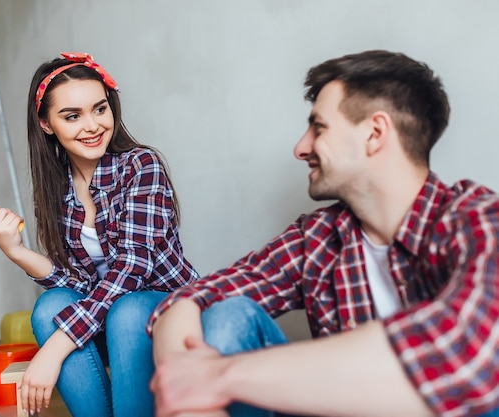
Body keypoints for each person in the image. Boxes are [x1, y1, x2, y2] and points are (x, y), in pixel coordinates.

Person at [147, 50, 499, 417]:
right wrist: (185, 385)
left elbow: (469, 356)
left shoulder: (479, 217)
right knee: (226, 317)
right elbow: (190, 299)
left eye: (319, 127)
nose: (301, 148)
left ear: (375, 134)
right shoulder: (317, 237)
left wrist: (219, 376)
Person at [0, 51, 198, 417]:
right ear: (47, 124)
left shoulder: (141, 165)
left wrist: (55, 347)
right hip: (104, 319)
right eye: (72, 116)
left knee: (126, 311)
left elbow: (133, 269)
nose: (92, 125)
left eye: (100, 109)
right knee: (50, 307)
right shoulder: (57, 188)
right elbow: (80, 283)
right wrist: (15, 251)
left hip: (166, 315)